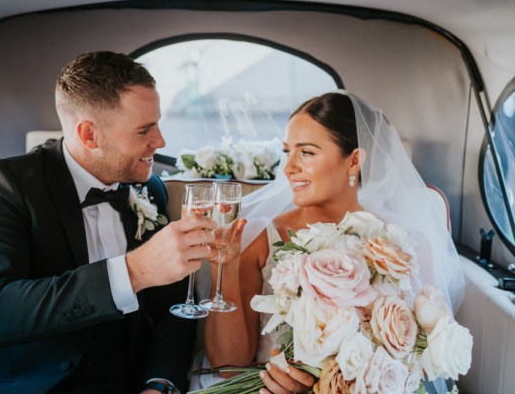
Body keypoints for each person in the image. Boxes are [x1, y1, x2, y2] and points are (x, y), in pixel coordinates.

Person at [0, 51, 217, 393]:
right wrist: (134, 271)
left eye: (157, 123)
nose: (160, 141)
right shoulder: (5, 184)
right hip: (17, 383)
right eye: (144, 129)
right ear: (89, 135)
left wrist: (159, 383)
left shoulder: (149, 187)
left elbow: (173, 309)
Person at [191, 91, 465, 393]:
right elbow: (228, 366)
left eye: (306, 152)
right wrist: (224, 268)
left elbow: (410, 360)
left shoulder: (400, 247)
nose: (289, 168)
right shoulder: (259, 238)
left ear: (354, 161)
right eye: (287, 152)